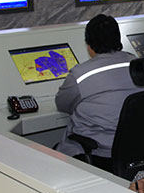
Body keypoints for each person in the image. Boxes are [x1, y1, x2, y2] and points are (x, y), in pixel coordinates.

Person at [55, 14, 139, 162]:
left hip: (100, 152)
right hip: (135, 148)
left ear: (89, 44)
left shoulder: (80, 74)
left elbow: (62, 104)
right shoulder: (139, 66)